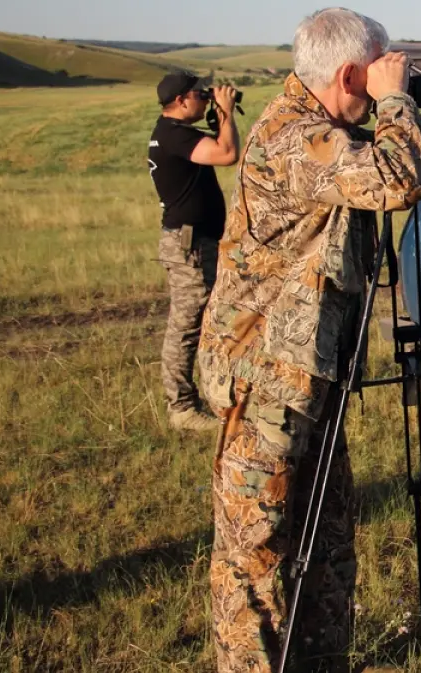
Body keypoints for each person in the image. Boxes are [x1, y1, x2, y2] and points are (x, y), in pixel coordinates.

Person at [196, 7, 421, 672]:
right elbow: (396, 179)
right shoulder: (295, 138)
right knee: (256, 560)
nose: (385, 81)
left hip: (309, 381)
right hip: (266, 384)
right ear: (353, 73)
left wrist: (391, 105)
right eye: (378, 72)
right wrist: (398, 102)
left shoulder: (327, 133)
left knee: (326, 551)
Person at [147, 71, 240, 432]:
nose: (205, 100)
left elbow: (218, 147)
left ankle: (203, 398)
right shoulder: (174, 135)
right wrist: (228, 114)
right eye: (200, 96)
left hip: (195, 241)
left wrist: (219, 118)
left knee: (203, 321)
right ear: (182, 100)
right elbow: (227, 153)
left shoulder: (172, 133)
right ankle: (182, 408)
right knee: (186, 327)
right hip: (189, 245)